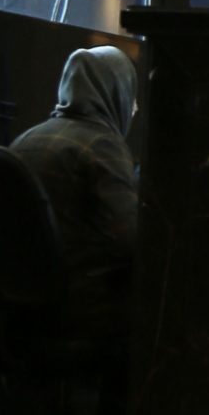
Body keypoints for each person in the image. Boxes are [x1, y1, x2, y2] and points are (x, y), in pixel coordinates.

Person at [9, 47, 138, 346]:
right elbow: (131, 242)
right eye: (132, 96)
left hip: (18, 311)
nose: (135, 108)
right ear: (115, 92)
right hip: (80, 316)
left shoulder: (25, 139)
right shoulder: (103, 145)